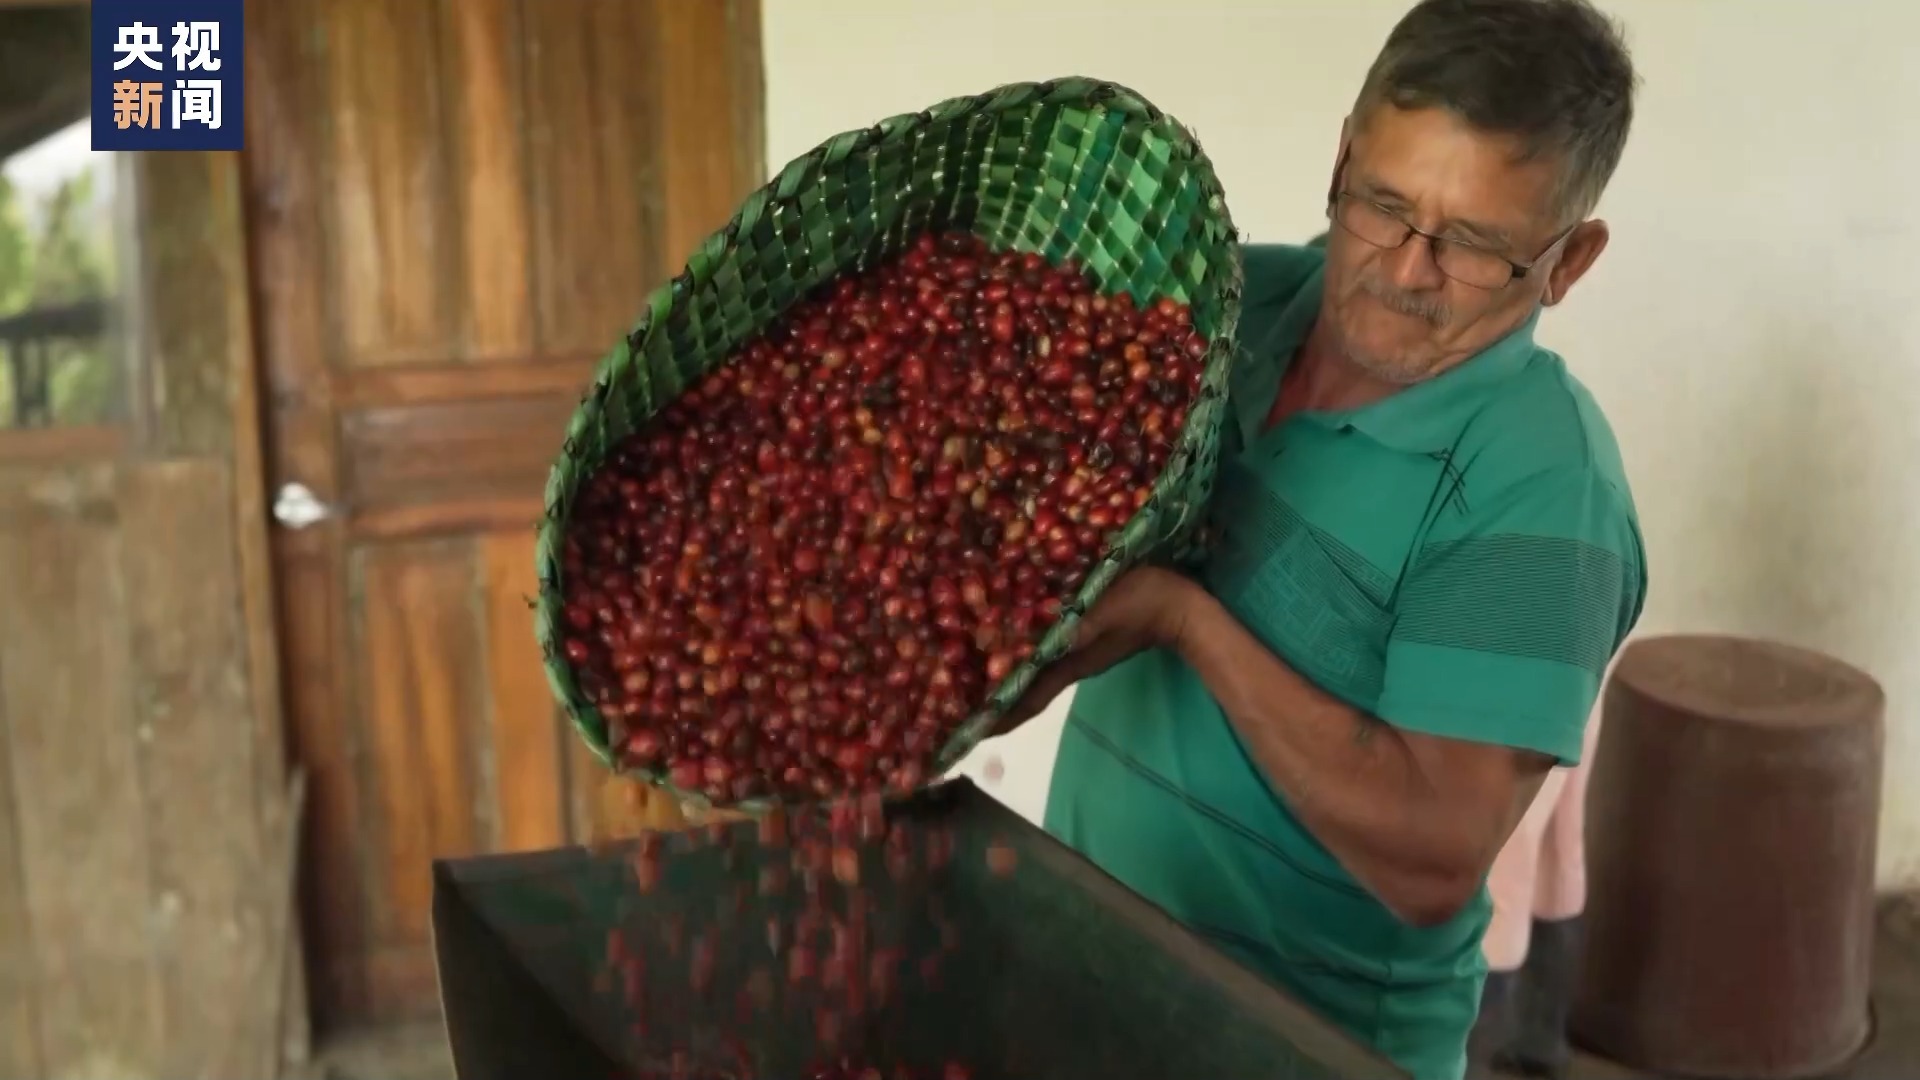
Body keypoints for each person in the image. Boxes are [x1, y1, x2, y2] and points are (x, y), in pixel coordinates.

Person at [999, 2, 1647, 1077]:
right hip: (1086, 976)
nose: (1407, 269)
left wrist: (1183, 622)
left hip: (1300, 1053)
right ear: (1342, 158)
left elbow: (1432, 859)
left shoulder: (1545, 486)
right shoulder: (1232, 314)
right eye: (1384, 206)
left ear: (1568, 262)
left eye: (1473, 245)